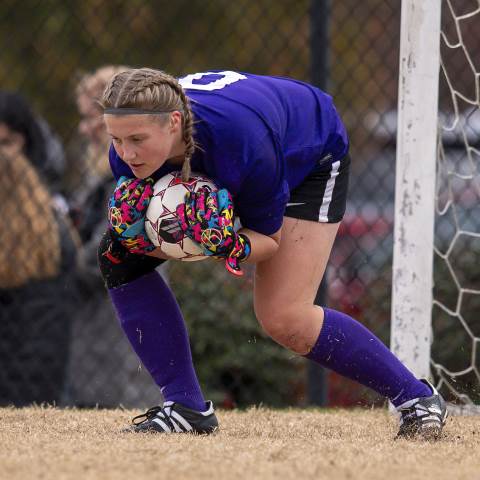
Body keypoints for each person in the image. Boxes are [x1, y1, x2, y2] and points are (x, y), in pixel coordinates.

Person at [98, 68, 448, 438]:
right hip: (245, 139)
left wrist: (230, 245)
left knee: (285, 317)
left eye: (136, 139)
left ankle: (417, 399)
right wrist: (140, 238)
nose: (126, 153)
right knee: (117, 257)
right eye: (116, 139)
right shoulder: (126, 156)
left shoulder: (241, 143)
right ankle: (185, 407)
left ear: (173, 122)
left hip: (308, 149)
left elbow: (267, 239)